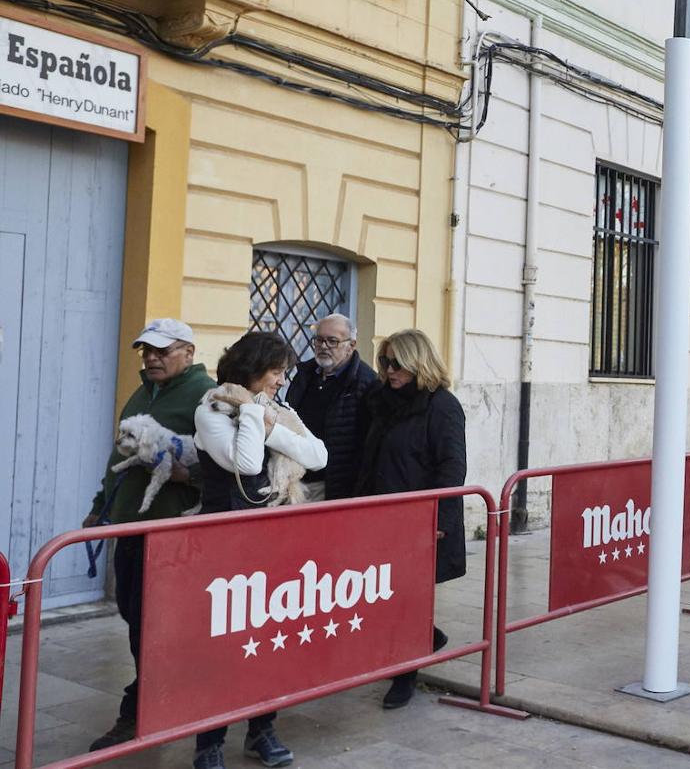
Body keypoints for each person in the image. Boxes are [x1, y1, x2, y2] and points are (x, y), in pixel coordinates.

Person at [192, 332, 327, 769]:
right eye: (276, 372)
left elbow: (318, 454)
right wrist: (253, 414)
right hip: (223, 546)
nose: (282, 381)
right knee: (222, 645)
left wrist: (271, 424)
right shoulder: (211, 411)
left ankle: (262, 730)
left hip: (271, 544)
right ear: (253, 370)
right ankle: (208, 741)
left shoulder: (277, 410)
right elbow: (247, 464)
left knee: (268, 641)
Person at [87, 319, 216, 752]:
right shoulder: (142, 393)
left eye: (162, 350)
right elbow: (117, 455)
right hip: (132, 526)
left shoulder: (207, 396)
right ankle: (155, 700)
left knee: (161, 625)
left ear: (189, 352)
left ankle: (144, 709)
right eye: (147, 351)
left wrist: (188, 475)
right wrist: (99, 505)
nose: (152, 358)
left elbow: (229, 463)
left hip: (176, 534)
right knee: (135, 616)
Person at [356, 329, 465, 709]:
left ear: (418, 362)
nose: (388, 370)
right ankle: (426, 639)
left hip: (418, 519)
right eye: (384, 362)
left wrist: (439, 519)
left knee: (407, 600)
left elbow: (452, 467)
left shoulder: (442, 406)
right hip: (377, 512)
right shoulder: (380, 401)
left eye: (396, 363)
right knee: (379, 594)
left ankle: (406, 674)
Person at [285, 314, 377, 501]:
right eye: (319, 340)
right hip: (295, 480)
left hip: (334, 486)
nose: (324, 346)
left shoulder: (366, 383)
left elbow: (368, 445)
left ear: (351, 346)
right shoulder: (304, 374)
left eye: (332, 341)